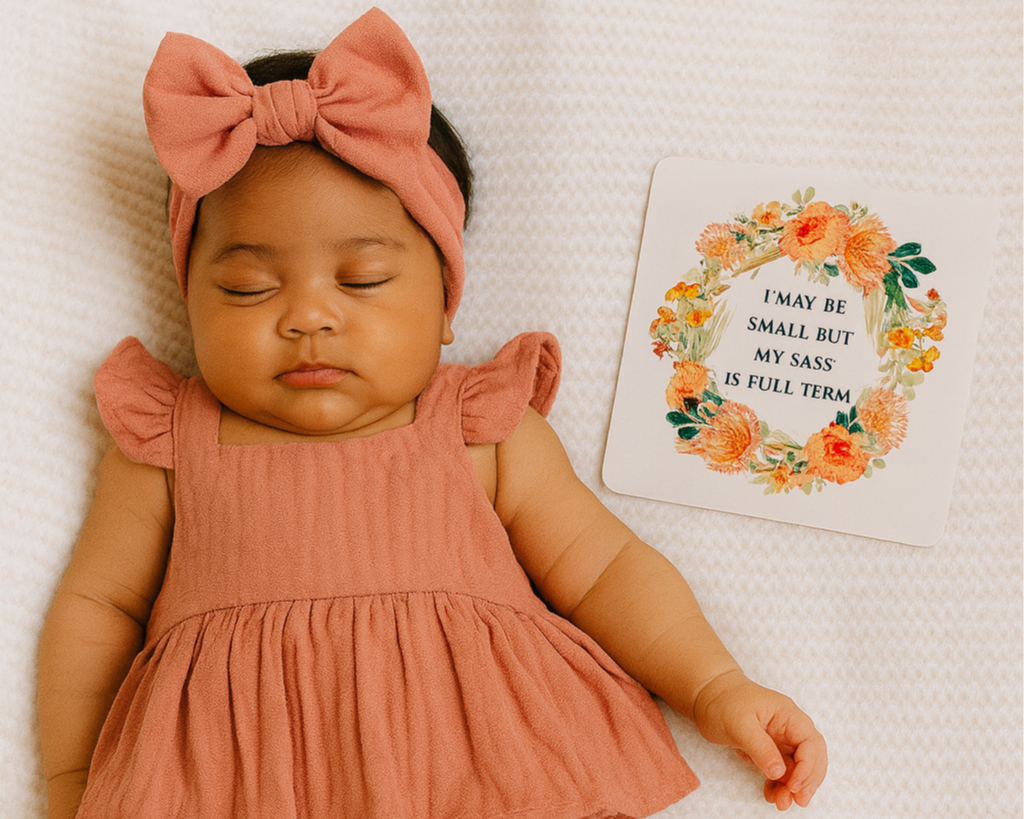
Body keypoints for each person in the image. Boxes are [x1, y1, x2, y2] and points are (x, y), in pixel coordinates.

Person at [37, 8, 827, 819]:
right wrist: (69, 784)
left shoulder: (481, 430)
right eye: (248, 287)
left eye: (364, 279)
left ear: (445, 302)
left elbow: (604, 569)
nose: (309, 317)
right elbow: (96, 612)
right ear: (190, 302)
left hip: (486, 775)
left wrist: (715, 684)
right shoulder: (168, 449)